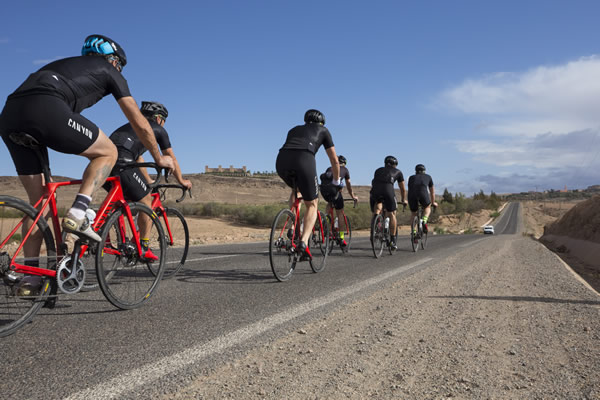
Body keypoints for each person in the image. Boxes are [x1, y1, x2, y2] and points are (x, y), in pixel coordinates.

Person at [0, 34, 174, 258]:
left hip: (10, 114)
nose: (119, 70)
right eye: (120, 65)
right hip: (47, 106)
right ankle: (78, 213)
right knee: (108, 150)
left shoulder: (63, 66)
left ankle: (30, 278)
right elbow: (139, 122)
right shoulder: (109, 70)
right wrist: (159, 158)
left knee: (39, 204)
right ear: (112, 60)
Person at [108, 101, 192, 260]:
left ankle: (110, 239)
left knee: (123, 202)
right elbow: (171, 158)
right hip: (122, 165)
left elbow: (138, 158)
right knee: (146, 201)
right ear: (159, 118)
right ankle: (144, 247)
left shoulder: (132, 125)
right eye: (164, 121)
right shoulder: (157, 129)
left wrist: (147, 181)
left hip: (106, 163)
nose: (163, 124)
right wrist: (182, 180)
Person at [276, 109, 340, 260]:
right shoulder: (323, 130)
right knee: (312, 203)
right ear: (321, 122)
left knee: (296, 190)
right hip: (304, 159)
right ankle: (303, 242)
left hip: (282, 160)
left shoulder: (294, 129)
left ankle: (293, 227)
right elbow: (334, 161)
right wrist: (336, 180)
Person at [319, 155, 358, 247]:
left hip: (323, 191)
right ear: (344, 163)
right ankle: (341, 237)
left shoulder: (329, 168)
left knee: (329, 203)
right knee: (340, 213)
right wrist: (353, 196)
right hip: (334, 191)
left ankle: (326, 221)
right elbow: (348, 185)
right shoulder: (345, 170)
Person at [369, 156, 407, 250]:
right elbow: (402, 188)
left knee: (378, 207)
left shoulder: (378, 170)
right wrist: (403, 199)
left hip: (375, 191)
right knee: (392, 213)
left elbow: (374, 182)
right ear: (395, 164)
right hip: (388, 191)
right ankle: (393, 241)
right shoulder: (398, 171)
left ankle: (375, 226)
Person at [407, 164, 437, 240]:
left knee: (413, 213)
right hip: (423, 194)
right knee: (427, 206)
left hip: (411, 195)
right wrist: (433, 202)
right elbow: (432, 192)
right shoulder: (428, 177)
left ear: (416, 171)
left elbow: (410, 187)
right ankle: (424, 220)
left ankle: (413, 232)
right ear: (424, 171)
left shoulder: (411, 177)